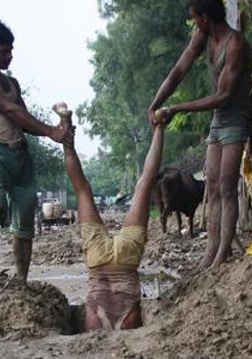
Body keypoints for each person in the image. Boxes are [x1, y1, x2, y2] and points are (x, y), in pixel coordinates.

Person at [0, 21, 72, 295]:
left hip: (20, 154)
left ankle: (21, 280)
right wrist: (51, 132)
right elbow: (9, 110)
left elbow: (22, 121)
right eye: (3, 51)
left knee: (24, 220)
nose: (9, 56)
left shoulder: (11, 82)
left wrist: (57, 131)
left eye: (11, 50)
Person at [147, 0, 252, 271]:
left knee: (228, 187)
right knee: (214, 189)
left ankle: (222, 256)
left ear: (205, 18)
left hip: (236, 117)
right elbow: (179, 70)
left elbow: (223, 95)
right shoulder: (204, 37)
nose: (195, 25)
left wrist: (179, 108)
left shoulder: (236, 45)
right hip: (219, 120)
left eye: (195, 20)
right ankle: (211, 253)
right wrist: (156, 103)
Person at [53, 103, 167, 330]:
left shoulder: (103, 326)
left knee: (142, 186)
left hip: (125, 261)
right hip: (100, 262)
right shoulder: (94, 325)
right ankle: (66, 126)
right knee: (84, 190)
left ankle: (159, 128)